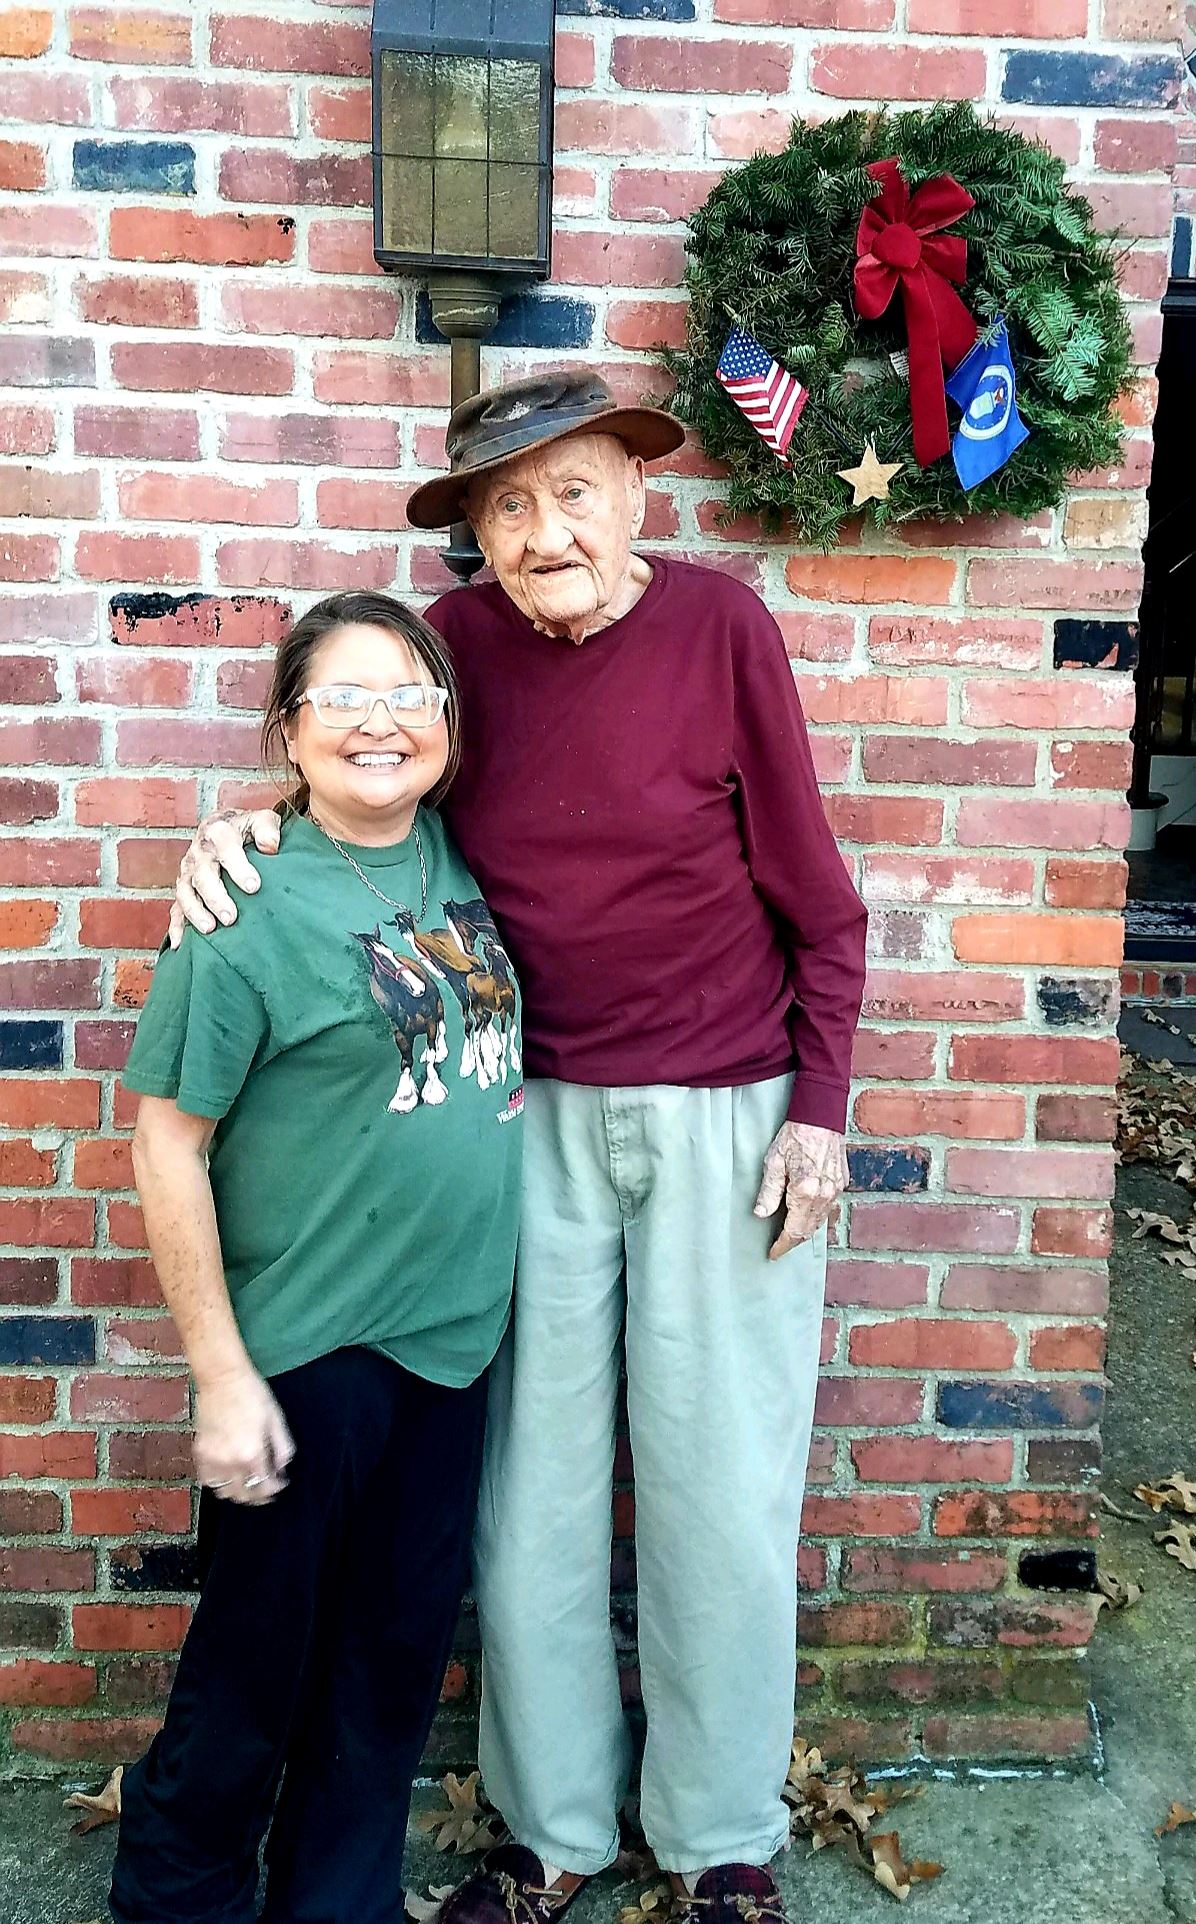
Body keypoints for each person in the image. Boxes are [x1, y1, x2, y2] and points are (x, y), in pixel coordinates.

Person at [168, 371, 868, 1924]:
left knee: (721, 1489)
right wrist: (246, 828)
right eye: (504, 507)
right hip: (517, 1115)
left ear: (633, 496)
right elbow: (367, 783)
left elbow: (822, 897)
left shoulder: (720, 629)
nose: (541, 531)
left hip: (724, 1109)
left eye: (570, 492)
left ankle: (721, 1837)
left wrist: (818, 1109)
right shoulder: (456, 654)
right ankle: (550, 1831)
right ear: (473, 537)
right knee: (532, 1494)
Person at [110, 593, 523, 1924]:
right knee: (253, 1678)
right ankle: (174, 1902)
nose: (378, 721)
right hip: (306, 1359)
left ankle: (334, 1905)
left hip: (453, 1348)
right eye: (340, 697)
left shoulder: (459, 858)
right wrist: (221, 1379)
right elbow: (166, 1149)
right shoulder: (241, 911)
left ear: (449, 724)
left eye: (407, 691)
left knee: (391, 1670)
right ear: (289, 730)